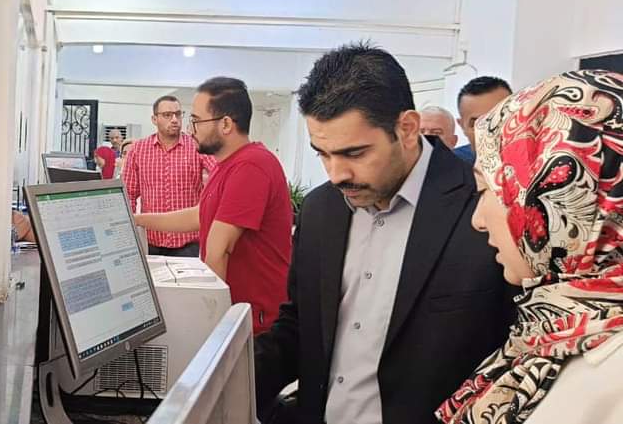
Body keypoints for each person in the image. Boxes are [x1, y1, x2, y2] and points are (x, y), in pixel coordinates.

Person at [254, 43, 514, 424]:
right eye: (323, 154)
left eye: (355, 153)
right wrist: (224, 380)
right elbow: (302, 327)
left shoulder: (483, 207)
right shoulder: (320, 209)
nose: (336, 174)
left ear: (407, 129)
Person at [437, 70, 623, 424]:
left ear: (555, 196)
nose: (478, 220)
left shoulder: (612, 376)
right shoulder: (552, 330)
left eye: (487, 189)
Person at [134, 79, 291, 335]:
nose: (190, 129)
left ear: (226, 124)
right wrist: (138, 219)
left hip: (252, 323)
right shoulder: (226, 165)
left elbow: (218, 251)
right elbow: (200, 215)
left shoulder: (251, 166)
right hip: (237, 316)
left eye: (196, 121)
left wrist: (210, 327)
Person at [124, 95, 215, 257]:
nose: (174, 120)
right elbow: (128, 194)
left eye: (178, 114)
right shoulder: (138, 150)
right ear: (154, 119)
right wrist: (128, 233)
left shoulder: (197, 147)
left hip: (188, 243)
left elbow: (221, 174)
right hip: (151, 241)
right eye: (167, 115)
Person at [453, 76, 512, 164]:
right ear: (462, 126)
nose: (489, 132)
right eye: (478, 124)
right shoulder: (450, 165)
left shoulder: (534, 161)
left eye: (500, 120)